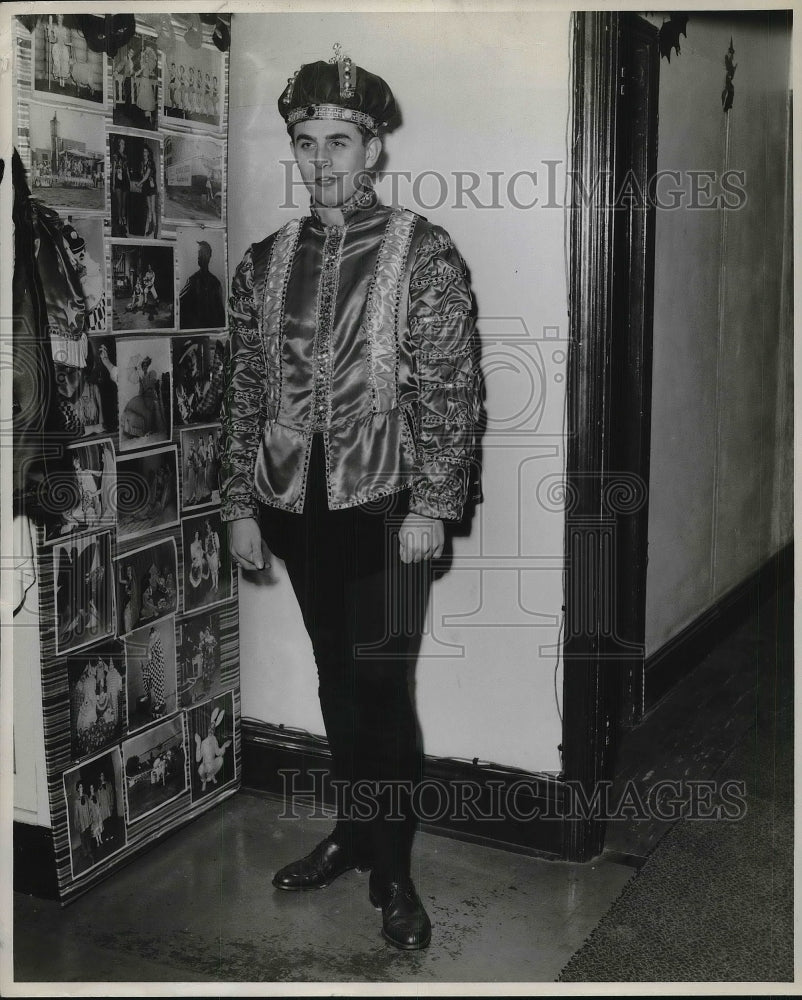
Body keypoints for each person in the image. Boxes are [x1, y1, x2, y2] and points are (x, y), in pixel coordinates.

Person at [221, 48, 479, 952]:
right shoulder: (267, 260)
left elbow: (450, 386)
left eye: (341, 140)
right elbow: (245, 387)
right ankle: (353, 831)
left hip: (386, 507)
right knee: (336, 678)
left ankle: (394, 869)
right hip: (296, 506)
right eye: (306, 141)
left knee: (381, 684)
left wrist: (434, 504)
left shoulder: (423, 252)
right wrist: (240, 505)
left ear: (373, 148)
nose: (323, 159)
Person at [179, 240, 226, 330]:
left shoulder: (215, 283)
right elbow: (180, 305)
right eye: (199, 253)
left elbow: (220, 314)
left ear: (209, 256)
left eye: (203, 253)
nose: (199, 256)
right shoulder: (192, 280)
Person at [112, 137, 131, 235]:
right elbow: (114, 169)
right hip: (118, 180)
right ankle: (119, 221)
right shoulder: (115, 155)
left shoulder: (125, 156)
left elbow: (127, 170)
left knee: (124, 203)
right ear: (119, 144)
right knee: (119, 203)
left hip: (125, 181)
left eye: (124, 143)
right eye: (122, 143)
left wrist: (130, 181)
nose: (124, 145)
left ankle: (123, 222)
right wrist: (113, 184)